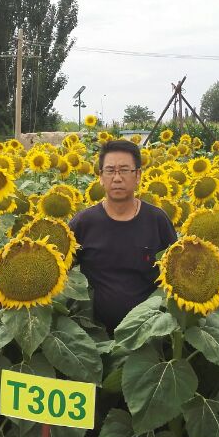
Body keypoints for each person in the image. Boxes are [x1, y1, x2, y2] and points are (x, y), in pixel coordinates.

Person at [69, 139, 178, 335]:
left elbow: (178, 273)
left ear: (138, 176)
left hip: (149, 335)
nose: (117, 178)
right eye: (110, 170)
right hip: (95, 336)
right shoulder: (83, 223)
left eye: (125, 170)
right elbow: (60, 269)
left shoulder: (157, 220)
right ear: (101, 177)